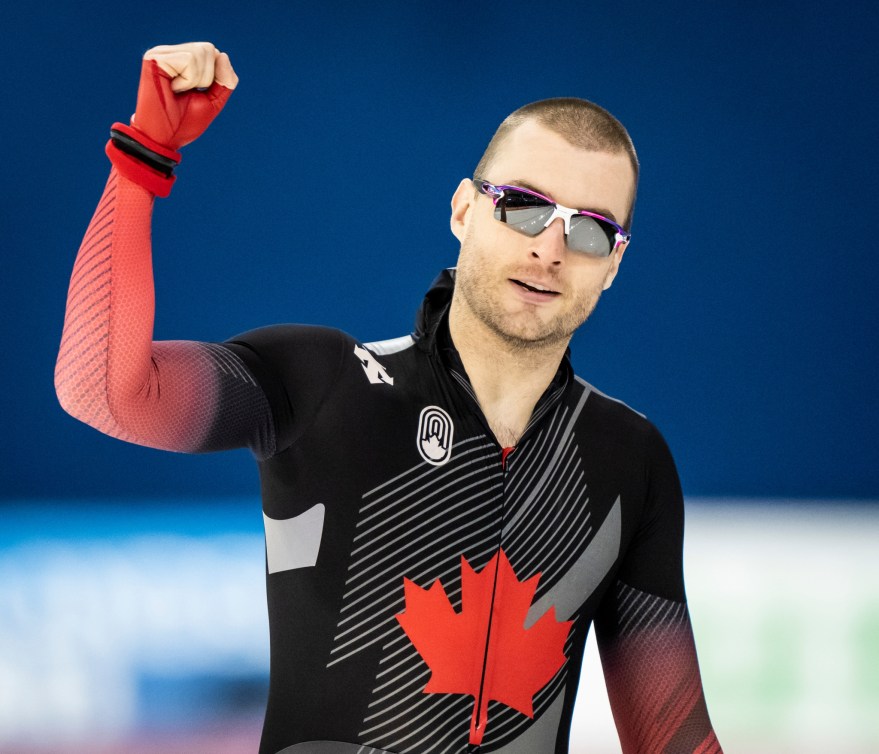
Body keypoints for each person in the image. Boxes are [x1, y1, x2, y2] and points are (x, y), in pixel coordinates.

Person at [55, 42, 722, 754]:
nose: (550, 249)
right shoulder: (323, 383)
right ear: (464, 211)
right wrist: (143, 157)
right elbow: (102, 392)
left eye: (589, 229)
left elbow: (672, 738)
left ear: (614, 264)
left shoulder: (627, 458)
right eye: (523, 208)